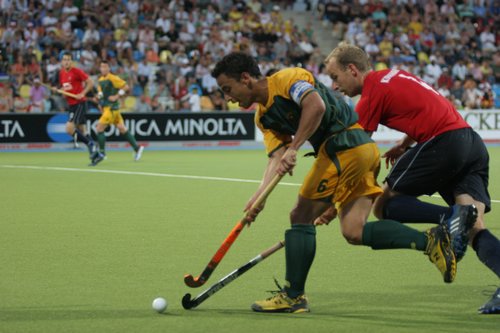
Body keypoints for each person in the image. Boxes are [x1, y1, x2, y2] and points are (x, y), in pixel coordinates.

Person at [211, 52, 465, 314]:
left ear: (246, 78)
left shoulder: (288, 78)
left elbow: (316, 106)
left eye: (228, 89)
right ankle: (431, 241)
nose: (228, 97)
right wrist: (259, 198)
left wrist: (295, 147)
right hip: (361, 151)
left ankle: (293, 296)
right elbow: (276, 156)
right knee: (353, 231)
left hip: (342, 145)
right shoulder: (262, 118)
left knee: (300, 216)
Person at [324, 42, 499, 315]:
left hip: (443, 143)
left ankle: (449, 216)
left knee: (382, 205)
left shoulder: (371, 92)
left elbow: (357, 152)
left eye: (335, 77)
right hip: (471, 142)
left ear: (352, 69)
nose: (334, 86)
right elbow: (427, 104)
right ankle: (459, 218)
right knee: (473, 226)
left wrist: (330, 200)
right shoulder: (394, 75)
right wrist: (405, 143)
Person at [90, 60, 144, 166]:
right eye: (101, 67)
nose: (103, 69)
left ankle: (102, 153)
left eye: (105, 67)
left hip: (111, 109)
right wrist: (97, 99)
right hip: (109, 109)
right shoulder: (101, 80)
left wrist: (117, 96)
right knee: (122, 128)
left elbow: (126, 87)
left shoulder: (112, 78)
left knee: (99, 128)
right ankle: (137, 149)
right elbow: (101, 95)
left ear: (109, 68)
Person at [55, 52, 97, 160]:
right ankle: (95, 153)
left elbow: (91, 82)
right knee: (83, 129)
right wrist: (59, 90)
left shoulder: (77, 71)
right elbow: (66, 88)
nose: (66, 62)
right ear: (62, 62)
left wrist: (83, 93)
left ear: (72, 61)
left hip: (79, 103)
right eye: (64, 60)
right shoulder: (61, 73)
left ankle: (90, 144)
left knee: (69, 129)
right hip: (71, 105)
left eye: (68, 59)